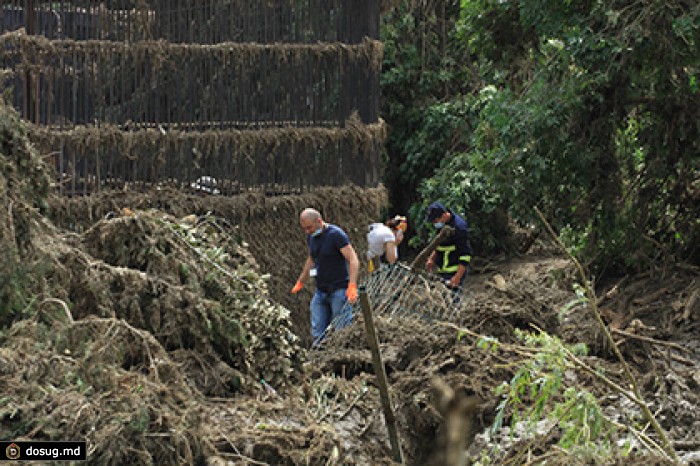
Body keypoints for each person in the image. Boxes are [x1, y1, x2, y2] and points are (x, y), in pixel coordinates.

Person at [291, 208, 360, 341]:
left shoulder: (336, 235)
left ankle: (343, 358)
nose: (307, 231)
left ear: (319, 221)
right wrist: (301, 281)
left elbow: (353, 259)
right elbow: (311, 259)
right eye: (304, 228)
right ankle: (318, 359)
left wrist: (352, 284)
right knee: (317, 331)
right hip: (321, 290)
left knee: (342, 331)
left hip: (339, 291)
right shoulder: (312, 237)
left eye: (309, 227)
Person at [425, 202, 472, 294]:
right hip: (442, 269)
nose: (435, 223)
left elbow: (465, 254)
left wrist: (457, 277)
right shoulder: (442, 224)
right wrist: (431, 259)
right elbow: (439, 243)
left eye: (435, 220)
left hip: (454, 270)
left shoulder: (459, 228)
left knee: (453, 300)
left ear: (444, 215)